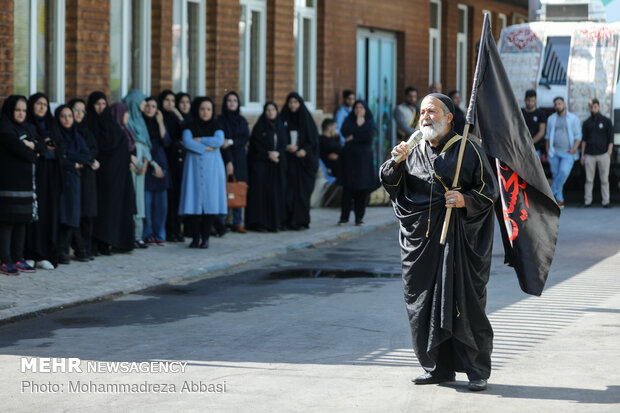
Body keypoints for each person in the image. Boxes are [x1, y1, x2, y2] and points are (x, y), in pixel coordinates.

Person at [380, 93, 498, 392]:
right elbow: (395, 188)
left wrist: (464, 199)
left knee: (464, 306)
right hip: (421, 244)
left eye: (431, 111)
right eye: (422, 112)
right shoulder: (413, 150)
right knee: (423, 306)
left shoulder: (467, 149)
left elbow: (488, 192)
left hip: (458, 243)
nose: (425, 117)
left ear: (448, 117)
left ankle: (476, 370)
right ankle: (436, 368)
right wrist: (395, 164)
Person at [87, 92, 135, 255]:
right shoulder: (89, 124)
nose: (100, 108)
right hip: (99, 176)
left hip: (116, 176)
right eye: (97, 104)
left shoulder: (113, 126)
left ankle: (109, 242)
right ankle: (97, 242)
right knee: (99, 209)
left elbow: (122, 149)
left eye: (103, 104)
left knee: (113, 209)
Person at [0, 95, 42, 275]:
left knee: (22, 221)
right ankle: (5, 260)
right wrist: (32, 149)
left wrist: (31, 145)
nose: (21, 114)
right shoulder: (5, 129)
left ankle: (19, 258)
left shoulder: (27, 128)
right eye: (18, 110)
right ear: (10, 110)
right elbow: (27, 154)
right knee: (8, 222)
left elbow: (41, 147)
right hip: (9, 183)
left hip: (25, 184)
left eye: (24, 110)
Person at [178, 97, 227, 248]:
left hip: (212, 168)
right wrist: (206, 147)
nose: (205, 112)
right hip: (194, 168)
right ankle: (195, 238)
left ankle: (205, 238)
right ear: (197, 110)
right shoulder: (190, 126)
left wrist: (200, 140)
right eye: (202, 109)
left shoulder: (216, 125)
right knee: (193, 203)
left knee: (210, 204)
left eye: (208, 109)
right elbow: (187, 142)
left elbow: (218, 141)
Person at [25, 92, 64, 270]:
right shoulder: (28, 125)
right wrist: (43, 147)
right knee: (33, 213)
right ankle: (30, 253)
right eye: (38, 104)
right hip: (34, 173)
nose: (42, 107)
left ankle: (45, 254)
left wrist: (45, 148)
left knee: (49, 212)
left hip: (52, 175)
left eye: (45, 104)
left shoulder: (52, 125)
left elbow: (59, 148)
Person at [54, 105, 90, 264]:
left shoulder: (77, 137)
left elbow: (86, 156)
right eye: (63, 116)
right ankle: (61, 251)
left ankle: (65, 250)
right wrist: (72, 162)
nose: (67, 119)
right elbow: (58, 157)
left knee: (72, 216)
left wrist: (70, 158)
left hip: (74, 181)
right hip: (60, 180)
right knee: (62, 215)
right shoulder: (56, 135)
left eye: (70, 116)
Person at [245, 102, 288, 232]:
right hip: (262, 166)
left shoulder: (280, 126)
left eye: (273, 109)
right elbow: (255, 146)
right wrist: (267, 154)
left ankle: (275, 223)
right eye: (268, 110)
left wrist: (278, 153)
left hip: (276, 166)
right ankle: (260, 223)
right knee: (262, 195)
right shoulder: (260, 127)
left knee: (275, 194)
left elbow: (283, 143)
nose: (270, 112)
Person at [280, 92, 319, 230]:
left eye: (295, 102)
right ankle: (287, 221)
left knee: (302, 194)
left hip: (303, 164)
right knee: (288, 192)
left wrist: (305, 150)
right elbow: (279, 138)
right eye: (290, 102)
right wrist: (286, 147)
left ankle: (300, 221)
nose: (293, 105)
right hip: (289, 162)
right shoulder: (283, 118)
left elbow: (313, 140)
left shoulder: (306, 119)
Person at [68, 98, 99, 260]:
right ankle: (79, 248)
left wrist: (88, 159)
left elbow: (94, 149)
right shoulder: (68, 130)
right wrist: (85, 159)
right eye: (76, 110)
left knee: (88, 213)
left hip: (88, 176)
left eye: (82, 111)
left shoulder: (88, 130)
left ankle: (87, 247)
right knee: (77, 213)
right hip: (75, 175)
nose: (79, 114)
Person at [217, 91, 250, 233]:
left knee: (238, 188)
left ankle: (237, 221)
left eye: (235, 101)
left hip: (240, 158)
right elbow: (222, 144)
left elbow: (244, 138)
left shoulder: (241, 120)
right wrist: (228, 161)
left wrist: (231, 141)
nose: (232, 103)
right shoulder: (220, 120)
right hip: (225, 157)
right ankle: (223, 222)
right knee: (224, 188)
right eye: (229, 100)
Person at [123, 89, 153, 248]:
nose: (144, 106)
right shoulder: (126, 120)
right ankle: (130, 235)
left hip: (142, 164)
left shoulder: (140, 121)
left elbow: (147, 144)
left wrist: (146, 162)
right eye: (142, 102)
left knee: (140, 199)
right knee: (131, 196)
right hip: (131, 163)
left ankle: (138, 235)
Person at [339, 100, 376, 226]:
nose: (359, 110)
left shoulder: (370, 122)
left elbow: (369, 136)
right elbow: (344, 132)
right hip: (349, 160)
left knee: (362, 190)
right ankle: (344, 218)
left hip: (364, 161)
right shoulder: (349, 120)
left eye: (361, 108)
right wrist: (358, 128)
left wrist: (353, 136)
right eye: (356, 108)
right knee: (348, 189)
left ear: (365, 110)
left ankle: (359, 218)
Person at [142, 96, 171, 245]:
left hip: (162, 166)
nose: (150, 109)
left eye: (153, 106)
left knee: (161, 205)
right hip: (147, 166)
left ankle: (159, 234)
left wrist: (160, 122)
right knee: (146, 204)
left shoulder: (160, 123)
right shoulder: (140, 124)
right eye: (147, 106)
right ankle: (147, 234)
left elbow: (166, 141)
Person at [158, 90, 186, 242]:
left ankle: (177, 229)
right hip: (165, 161)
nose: (170, 103)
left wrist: (179, 115)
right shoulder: (159, 117)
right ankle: (169, 230)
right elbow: (166, 141)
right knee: (168, 198)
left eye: (172, 101)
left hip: (177, 163)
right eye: (167, 100)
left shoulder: (175, 118)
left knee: (177, 197)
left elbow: (184, 132)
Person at [545, 96, 581, 208]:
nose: (557, 106)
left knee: (563, 173)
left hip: (568, 153)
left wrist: (574, 149)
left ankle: (549, 196)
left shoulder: (573, 118)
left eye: (559, 103)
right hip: (554, 153)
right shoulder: (551, 119)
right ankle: (560, 200)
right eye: (555, 104)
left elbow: (578, 136)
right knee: (556, 176)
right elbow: (547, 137)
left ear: (564, 104)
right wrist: (548, 151)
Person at [581, 98, 613, 208]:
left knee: (604, 179)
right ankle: (587, 201)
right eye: (591, 107)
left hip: (603, 154)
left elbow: (611, 138)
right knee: (589, 180)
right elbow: (584, 140)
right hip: (589, 154)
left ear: (599, 107)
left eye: (595, 107)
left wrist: (609, 152)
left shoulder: (606, 121)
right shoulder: (586, 123)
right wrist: (582, 155)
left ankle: (606, 201)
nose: (593, 109)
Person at [521, 89, 547, 159]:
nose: (530, 103)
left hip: (535, 149)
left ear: (535, 100)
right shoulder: (520, 113)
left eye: (532, 101)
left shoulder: (540, 114)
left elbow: (541, 132)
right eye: (528, 100)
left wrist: (530, 142)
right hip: (521, 147)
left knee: (534, 169)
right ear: (525, 100)